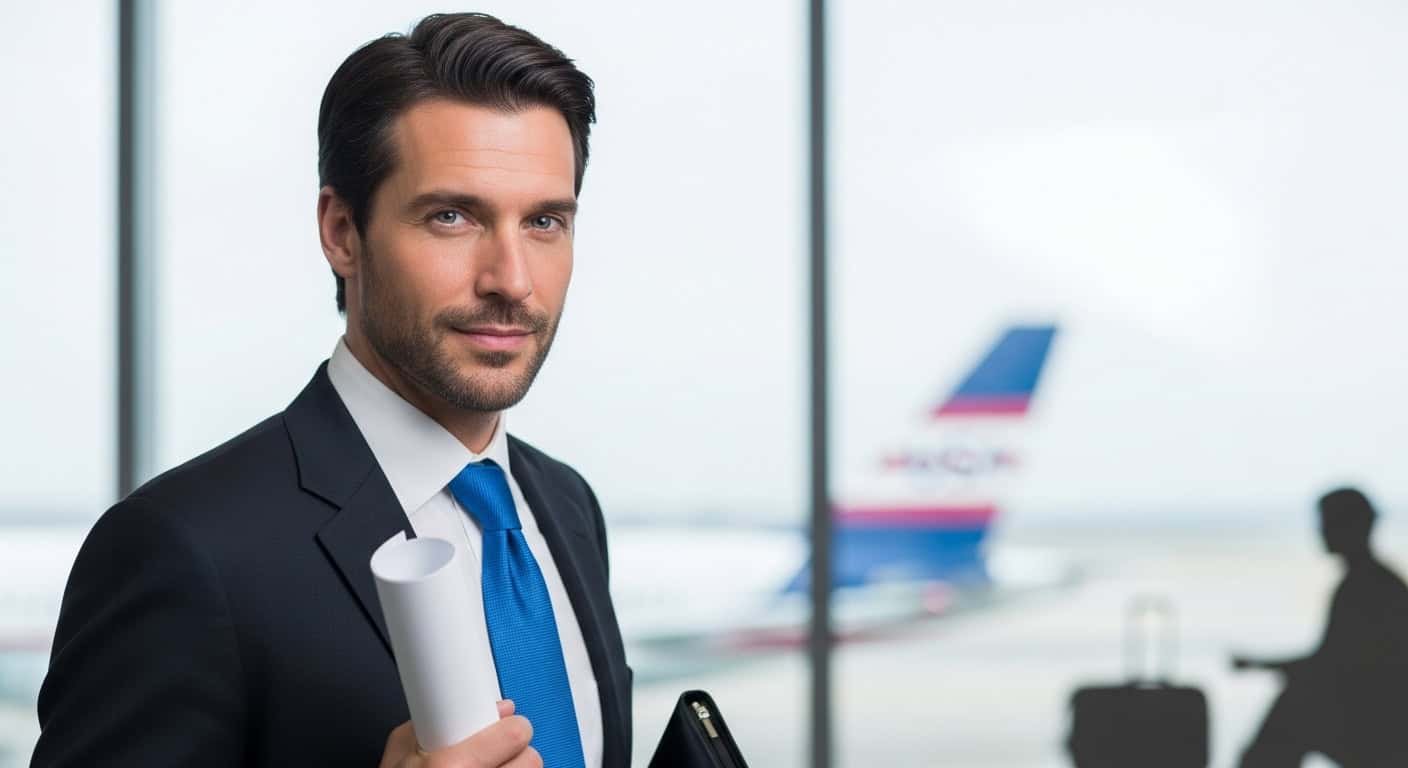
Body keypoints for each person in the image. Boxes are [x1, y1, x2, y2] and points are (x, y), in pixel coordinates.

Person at [32, 13, 630, 768]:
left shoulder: (566, 509)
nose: (511, 280)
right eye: (452, 216)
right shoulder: (182, 549)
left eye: (544, 221)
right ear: (342, 231)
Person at [1232, 487, 1408, 767]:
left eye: (1327, 522)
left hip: (1381, 727)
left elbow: (1335, 663)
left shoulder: (1366, 586)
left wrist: (1259, 665)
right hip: (1382, 721)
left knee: (1293, 707)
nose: (1321, 530)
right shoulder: (1373, 582)